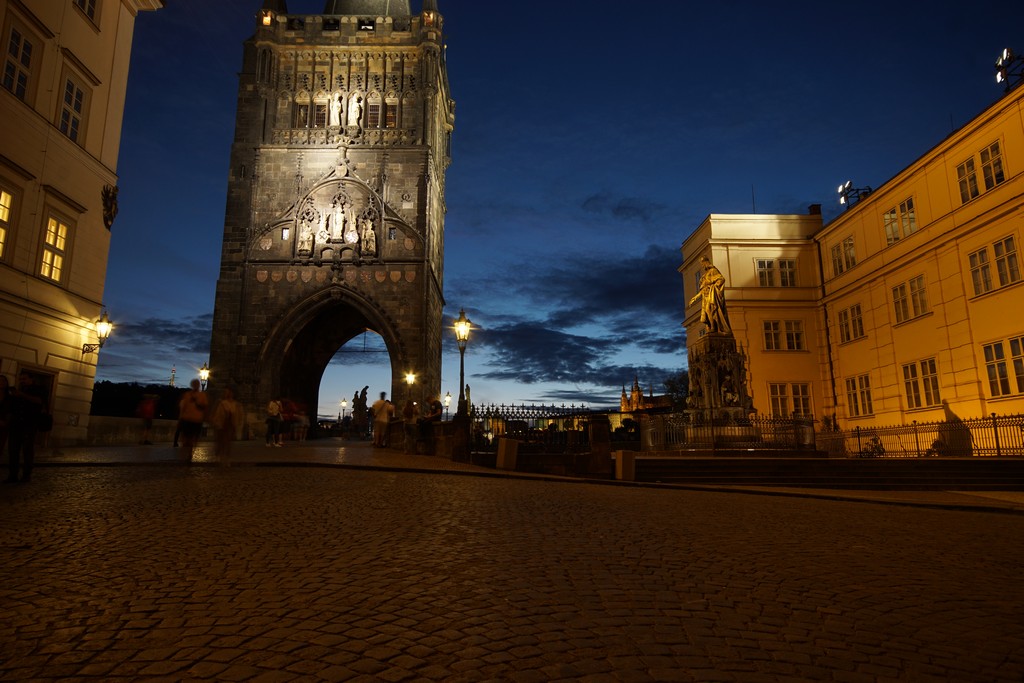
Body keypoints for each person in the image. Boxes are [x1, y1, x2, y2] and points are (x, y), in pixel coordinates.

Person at [7, 371, 45, 482]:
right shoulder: (19, 390)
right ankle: (12, 475)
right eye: (21, 379)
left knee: (27, 451)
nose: (22, 381)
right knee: (13, 451)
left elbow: (39, 401)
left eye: (24, 379)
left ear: (31, 379)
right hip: (15, 424)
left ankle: (26, 475)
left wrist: (22, 395)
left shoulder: (38, 389)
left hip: (29, 424)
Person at [688, 255, 731, 334]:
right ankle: (712, 327)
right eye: (701, 263)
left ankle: (713, 327)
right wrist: (695, 298)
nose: (702, 265)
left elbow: (721, 279)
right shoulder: (705, 275)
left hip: (712, 295)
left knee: (709, 309)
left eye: (702, 263)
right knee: (707, 311)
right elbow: (703, 290)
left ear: (706, 262)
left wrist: (714, 286)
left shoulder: (713, 271)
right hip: (706, 296)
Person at [178, 379, 208, 463]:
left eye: (196, 384)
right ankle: (185, 454)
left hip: (196, 420)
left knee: (192, 439)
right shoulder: (187, 395)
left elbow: (204, 407)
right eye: (194, 384)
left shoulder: (202, 395)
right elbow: (183, 408)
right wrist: (180, 418)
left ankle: (189, 454)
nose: (195, 385)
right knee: (186, 439)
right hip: (187, 419)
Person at [210, 388, 241, 466]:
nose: (229, 394)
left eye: (230, 393)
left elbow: (238, 415)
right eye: (227, 393)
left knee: (228, 443)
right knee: (220, 441)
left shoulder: (236, 404)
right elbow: (218, 414)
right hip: (222, 424)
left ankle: (226, 458)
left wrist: (237, 424)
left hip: (230, 425)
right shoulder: (221, 403)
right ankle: (218, 456)